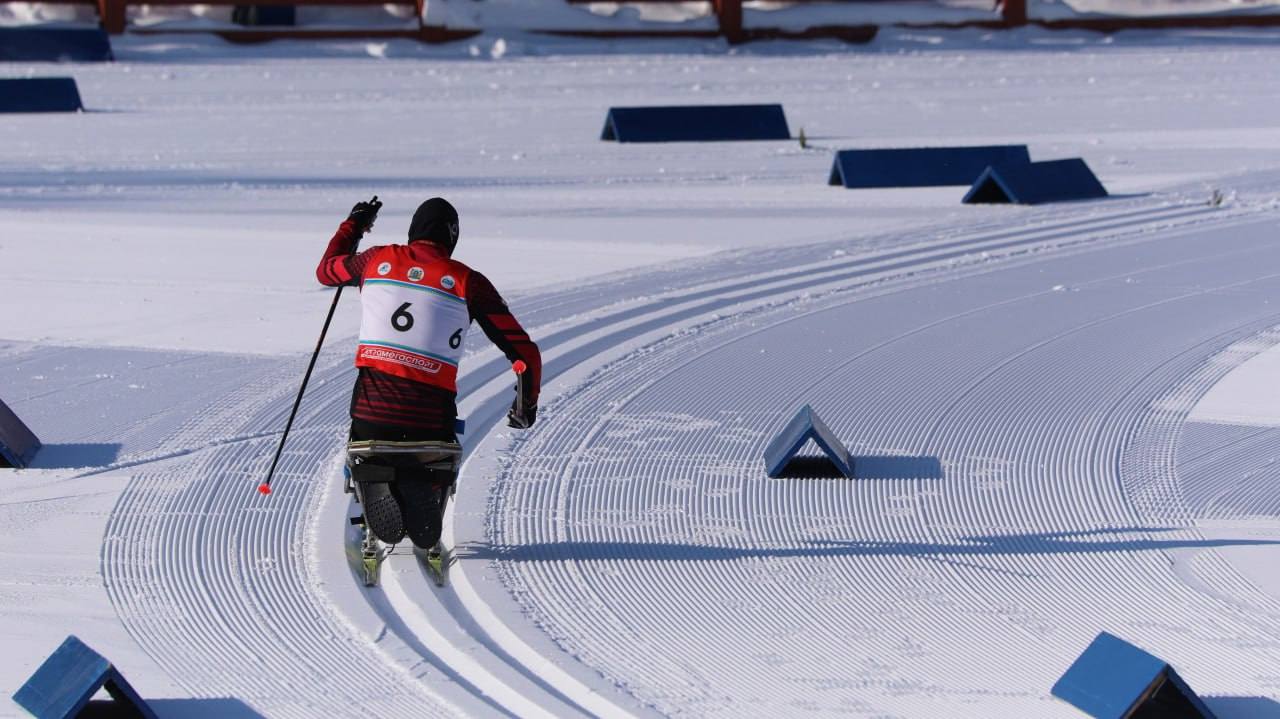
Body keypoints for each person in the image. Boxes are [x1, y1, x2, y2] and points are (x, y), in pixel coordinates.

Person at [316, 196, 540, 550]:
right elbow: (524, 354)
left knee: (370, 424)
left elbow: (326, 270)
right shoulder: (470, 281)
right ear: (452, 237)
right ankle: (425, 484)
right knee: (434, 438)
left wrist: (355, 224)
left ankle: (374, 477)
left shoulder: (375, 259)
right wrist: (525, 407)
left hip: (372, 416)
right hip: (430, 422)